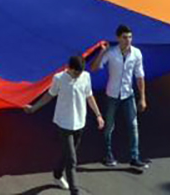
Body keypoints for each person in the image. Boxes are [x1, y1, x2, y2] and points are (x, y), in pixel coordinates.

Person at [24, 55, 104, 193]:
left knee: (68, 154)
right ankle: (74, 191)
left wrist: (98, 115)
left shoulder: (85, 76)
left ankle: (57, 174)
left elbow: (89, 96)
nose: (78, 75)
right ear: (69, 68)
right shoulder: (59, 78)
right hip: (63, 123)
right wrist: (34, 107)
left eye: (80, 73)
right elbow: (49, 95)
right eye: (76, 73)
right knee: (72, 159)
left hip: (80, 122)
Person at [90, 25, 149, 170]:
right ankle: (108, 154)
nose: (128, 40)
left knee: (133, 125)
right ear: (118, 38)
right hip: (112, 94)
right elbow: (94, 68)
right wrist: (102, 52)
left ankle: (134, 157)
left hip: (128, 94)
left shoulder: (136, 53)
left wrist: (142, 98)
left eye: (130, 37)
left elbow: (140, 76)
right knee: (109, 126)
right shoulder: (111, 53)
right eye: (125, 37)